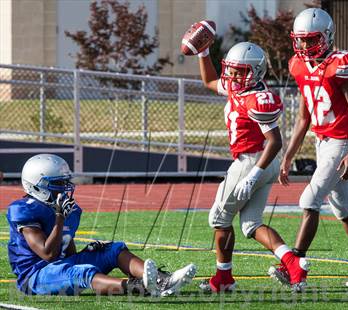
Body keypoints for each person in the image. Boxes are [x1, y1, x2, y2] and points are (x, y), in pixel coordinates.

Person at [192, 41, 308, 293]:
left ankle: (223, 279)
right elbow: (210, 81)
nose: (232, 76)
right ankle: (294, 264)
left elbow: (275, 141)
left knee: (219, 218)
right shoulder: (241, 88)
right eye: (231, 70)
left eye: (239, 72)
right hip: (261, 163)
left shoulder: (257, 98)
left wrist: (252, 175)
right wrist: (203, 53)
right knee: (251, 225)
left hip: (253, 161)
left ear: (255, 72)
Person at [276, 8, 348, 287]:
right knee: (343, 208)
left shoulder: (340, 64)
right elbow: (303, 118)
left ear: (327, 36)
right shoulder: (298, 65)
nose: (305, 46)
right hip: (322, 142)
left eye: (311, 40)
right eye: (301, 40)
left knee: (309, 200)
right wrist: (288, 156)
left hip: (342, 142)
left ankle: (295, 263)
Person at [7, 154, 196, 296]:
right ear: (36, 186)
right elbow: (48, 254)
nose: (65, 187)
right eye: (58, 183)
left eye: (66, 181)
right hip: (35, 277)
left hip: (59, 268)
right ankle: (139, 288)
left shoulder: (68, 210)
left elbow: (68, 251)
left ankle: (164, 281)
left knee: (112, 250)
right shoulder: (23, 209)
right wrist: (59, 217)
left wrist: (86, 253)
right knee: (81, 272)